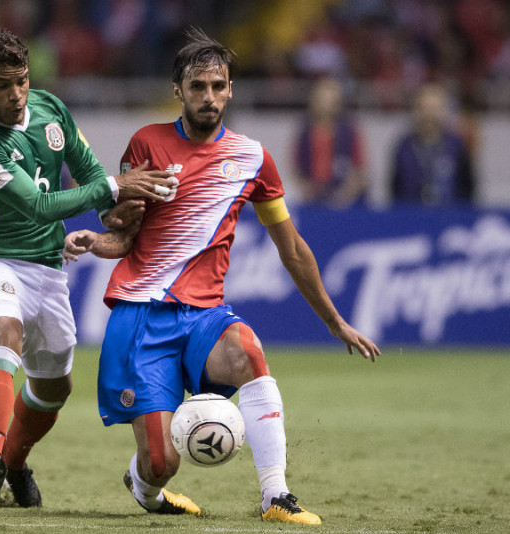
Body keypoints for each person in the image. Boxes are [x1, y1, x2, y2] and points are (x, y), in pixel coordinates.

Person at [63, 27, 380, 524]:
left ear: (230, 89)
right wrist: (93, 241)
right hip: (142, 316)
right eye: (198, 87)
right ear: (178, 91)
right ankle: (145, 484)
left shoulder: (253, 159)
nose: (208, 96)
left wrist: (334, 321)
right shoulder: (146, 143)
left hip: (206, 315)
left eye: (218, 86)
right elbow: (125, 234)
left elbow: (292, 248)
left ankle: (276, 496)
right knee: (162, 462)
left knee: (249, 351)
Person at [0, 27, 177, 508]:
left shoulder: (51, 109)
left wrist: (107, 215)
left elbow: (88, 169)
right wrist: (116, 187)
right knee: (4, 331)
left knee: (55, 386)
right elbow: (37, 204)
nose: (16, 95)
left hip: (50, 266)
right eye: (2, 85)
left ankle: (13, 462)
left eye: (22, 81)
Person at [391, 83, 475, 206]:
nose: (429, 114)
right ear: (416, 110)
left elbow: (468, 189)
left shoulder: (457, 146)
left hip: (449, 218)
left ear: (444, 111)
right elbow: (395, 190)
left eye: (434, 108)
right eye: (424, 108)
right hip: (412, 217)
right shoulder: (404, 147)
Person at [292, 77, 368, 208]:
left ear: (338, 103)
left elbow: (358, 170)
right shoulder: (305, 132)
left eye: (331, 100)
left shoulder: (349, 132)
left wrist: (344, 194)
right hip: (312, 194)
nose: (325, 105)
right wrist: (306, 188)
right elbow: (296, 168)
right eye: (321, 99)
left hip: (343, 194)